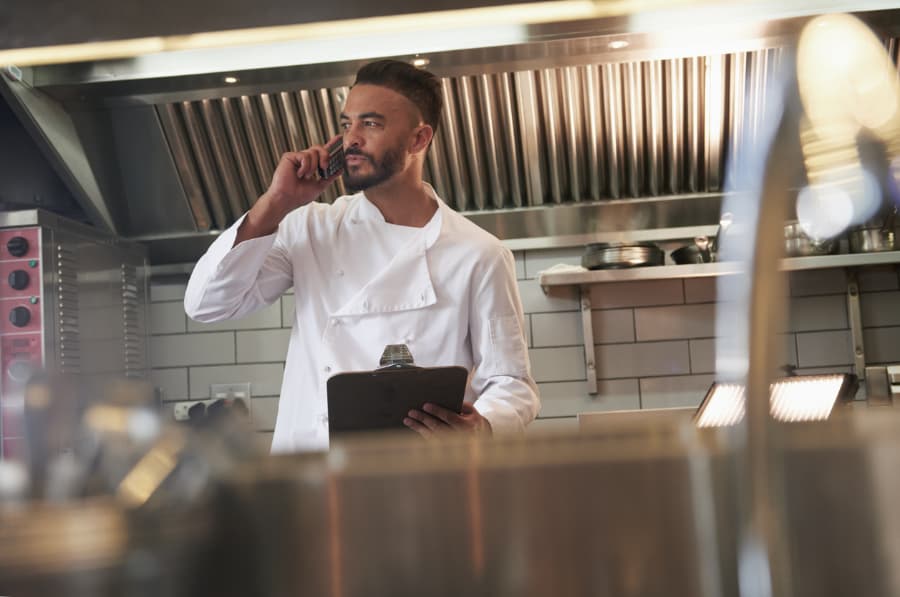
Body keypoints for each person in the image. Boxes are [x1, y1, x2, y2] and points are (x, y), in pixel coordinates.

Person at [184, 59, 540, 452]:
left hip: (422, 483)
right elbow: (207, 304)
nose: (350, 138)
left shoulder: (478, 253)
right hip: (312, 483)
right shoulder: (310, 228)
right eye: (345, 124)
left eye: (370, 124)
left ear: (419, 139)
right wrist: (276, 203)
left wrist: (484, 425)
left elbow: (512, 384)